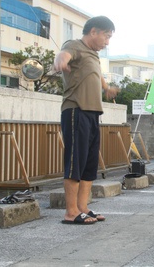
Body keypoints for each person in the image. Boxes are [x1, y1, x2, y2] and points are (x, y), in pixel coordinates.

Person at [52, 16, 119, 225]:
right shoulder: (75, 45)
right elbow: (63, 55)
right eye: (106, 37)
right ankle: (70, 212)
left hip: (92, 113)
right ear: (94, 32)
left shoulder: (92, 54)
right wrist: (60, 62)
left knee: (89, 163)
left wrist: (106, 88)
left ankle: (83, 208)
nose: (107, 42)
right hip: (76, 110)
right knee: (75, 161)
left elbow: (95, 73)